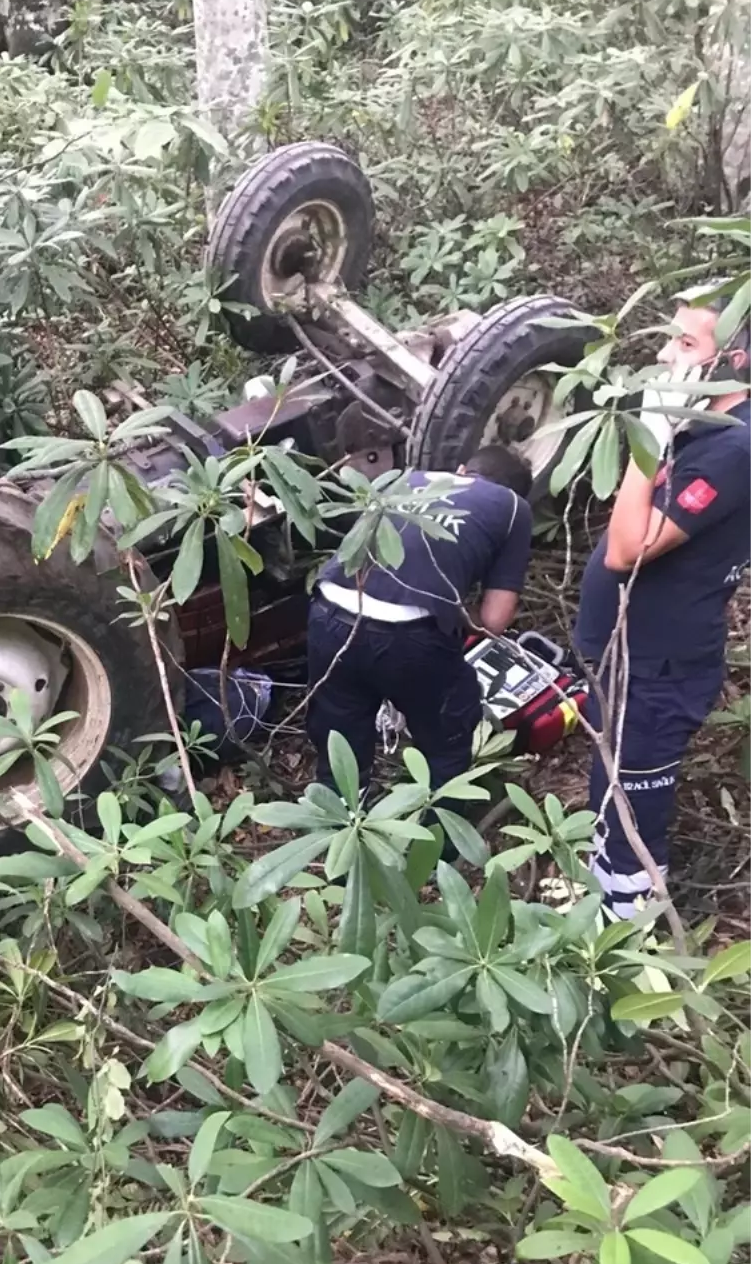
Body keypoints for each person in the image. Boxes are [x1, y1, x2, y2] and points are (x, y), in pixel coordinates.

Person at [573, 284, 751, 918]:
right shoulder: (705, 426)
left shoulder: (733, 450)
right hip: (629, 656)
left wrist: (649, 430)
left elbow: (627, 548)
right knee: (612, 771)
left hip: (657, 667)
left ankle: (630, 927)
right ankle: (603, 886)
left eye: (684, 343)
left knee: (635, 796)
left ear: (731, 360)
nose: (667, 356)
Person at [306, 445, 534, 796]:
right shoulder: (514, 507)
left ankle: (343, 832)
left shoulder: (407, 479)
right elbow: (494, 619)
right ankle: (436, 832)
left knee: (341, 747)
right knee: (448, 737)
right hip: (407, 634)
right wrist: (449, 611)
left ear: (460, 469)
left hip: (328, 608)